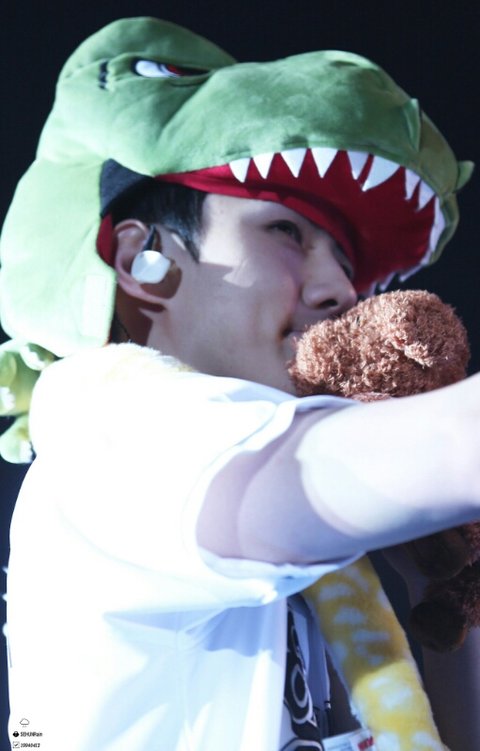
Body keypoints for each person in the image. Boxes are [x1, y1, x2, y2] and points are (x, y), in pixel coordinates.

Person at [1, 15, 479, 751]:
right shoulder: (107, 423)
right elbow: (435, 448)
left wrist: (441, 583)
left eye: (346, 264)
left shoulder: (301, 532)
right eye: (285, 231)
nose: (340, 291)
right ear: (144, 262)